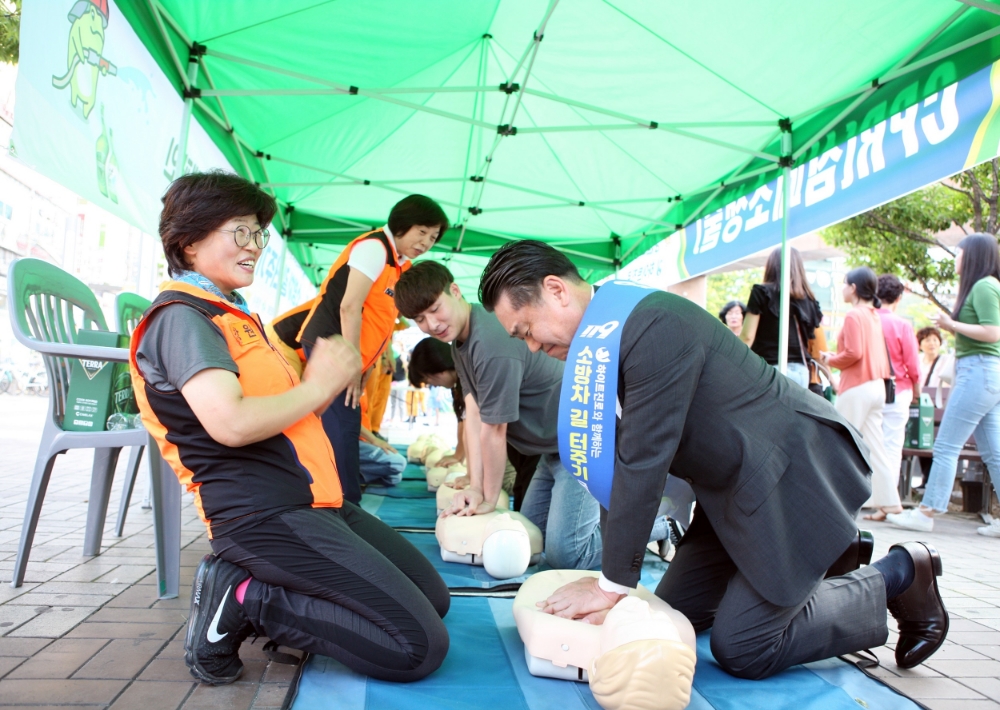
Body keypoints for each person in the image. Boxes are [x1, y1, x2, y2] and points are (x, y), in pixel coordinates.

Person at [478, 239, 948, 681]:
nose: (532, 347)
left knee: (744, 645)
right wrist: (614, 582)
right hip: (728, 494)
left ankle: (899, 574)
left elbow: (643, 462)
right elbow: (612, 471)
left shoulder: (650, 324)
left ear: (556, 291)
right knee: (670, 611)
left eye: (526, 331)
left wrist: (609, 585)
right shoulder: (601, 345)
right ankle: (815, 558)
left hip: (790, 477)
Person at [130, 172, 449, 685]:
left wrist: (320, 390)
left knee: (433, 599)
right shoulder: (182, 318)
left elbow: (283, 411)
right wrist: (318, 385)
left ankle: (281, 587)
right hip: (262, 514)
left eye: (259, 234)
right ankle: (246, 599)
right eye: (241, 231)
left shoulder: (237, 315)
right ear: (188, 242)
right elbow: (229, 424)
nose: (255, 246)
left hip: (314, 500)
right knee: (417, 647)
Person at [393, 261, 605, 569]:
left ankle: (658, 525)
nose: (432, 324)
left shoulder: (490, 340)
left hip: (582, 444)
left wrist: (488, 498)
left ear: (455, 291)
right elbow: (473, 415)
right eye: (420, 319)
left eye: (435, 309)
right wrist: (475, 486)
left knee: (565, 555)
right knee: (532, 536)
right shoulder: (460, 343)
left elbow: (494, 429)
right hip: (552, 452)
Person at [296, 195, 448, 504]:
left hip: (353, 359)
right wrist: (353, 365)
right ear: (402, 224)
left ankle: (338, 501)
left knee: (345, 428)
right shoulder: (374, 248)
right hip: (332, 349)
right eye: (421, 231)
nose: (426, 242)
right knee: (342, 430)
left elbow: (382, 320)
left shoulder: (402, 266)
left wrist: (372, 362)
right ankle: (343, 504)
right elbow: (350, 307)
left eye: (433, 237)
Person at [887, 234, 1000, 538]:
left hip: (978, 371)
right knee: (994, 452)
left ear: (973, 255)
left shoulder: (984, 286)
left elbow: (993, 331)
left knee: (947, 444)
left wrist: (951, 326)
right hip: (984, 372)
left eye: (959, 252)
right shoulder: (982, 286)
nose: (955, 257)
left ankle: (927, 512)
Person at [820, 267, 897, 520]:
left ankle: (834, 498)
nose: (842, 288)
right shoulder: (873, 314)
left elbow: (853, 353)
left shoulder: (854, 315)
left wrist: (829, 359)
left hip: (857, 386)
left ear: (853, 288)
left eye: (844, 284)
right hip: (877, 385)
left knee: (838, 442)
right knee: (875, 445)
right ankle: (890, 502)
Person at [871, 274, 923, 521]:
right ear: (899, 298)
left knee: (869, 445)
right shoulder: (902, 325)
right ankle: (886, 503)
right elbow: (913, 364)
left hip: (870, 388)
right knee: (892, 447)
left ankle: (867, 498)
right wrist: (917, 391)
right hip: (898, 389)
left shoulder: (866, 319)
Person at [741, 247, 823, 389]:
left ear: (772, 266)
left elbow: (747, 337)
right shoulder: (810, 300)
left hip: (769, 370)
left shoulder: (761, 292)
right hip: (802, 372)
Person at [407, 337, 468, 467]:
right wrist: (458, 454)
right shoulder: (458, 384)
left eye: (428, 380)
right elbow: (463, 420)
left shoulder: (468, 379)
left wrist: (459, 457)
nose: (433, 386)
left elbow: (470, 424)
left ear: (439, 370)